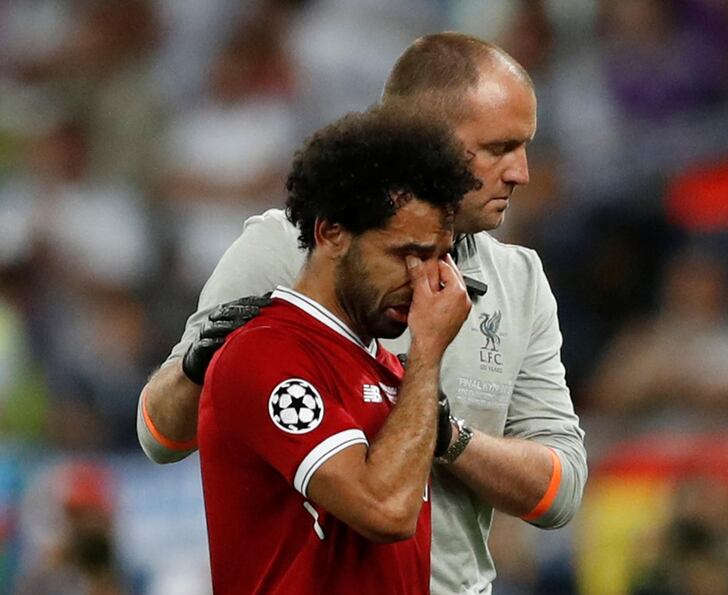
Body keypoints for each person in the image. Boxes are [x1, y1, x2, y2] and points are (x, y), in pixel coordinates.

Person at [139, 32, 588, 594]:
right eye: (499, 148)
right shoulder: (295, 247)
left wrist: (448, 438)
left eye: (525, 146)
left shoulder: (518, 280)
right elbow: (160, 437)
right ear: (425, 139)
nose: (521, 171)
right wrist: (199, 367)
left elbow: (561, 491)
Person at [199, 107, 476, 593]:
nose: (427, 280)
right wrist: (429, 350)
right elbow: (385, 509)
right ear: (331, 233)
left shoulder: (393, 374)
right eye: (407, 254)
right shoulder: (264, 354)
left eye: (439, 257)